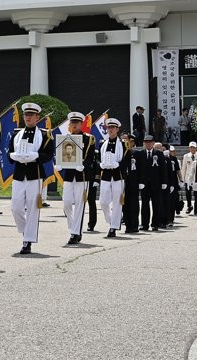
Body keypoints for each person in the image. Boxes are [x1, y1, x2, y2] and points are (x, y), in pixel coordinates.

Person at [9, 102, 53, 254]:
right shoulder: (16, 134)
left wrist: (36, 156)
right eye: (26, 115)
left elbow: (49, 154)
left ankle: (27, 241)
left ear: (37, 117)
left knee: (33, 208)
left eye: (31, 115)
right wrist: (13, 156)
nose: (28, 117)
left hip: (35, 174)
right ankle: (25, 231)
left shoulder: (44, 134)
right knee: (16, 207)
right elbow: (10, 154)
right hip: (19, 174)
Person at [58, 111, 97, 244]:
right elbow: (63, 156)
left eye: (76, 122)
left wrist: (83, 165)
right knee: (67, 203)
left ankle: (75, 233)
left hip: (82, 175)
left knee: (80, 204)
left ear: (81, 123)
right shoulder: (66, 138)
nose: (74, 125)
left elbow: (91, 158)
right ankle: (73, 226)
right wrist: (60, 165)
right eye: (72, 122)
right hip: (69, 175)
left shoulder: (89, 138)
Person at [97, 118, 128, 238]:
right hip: (105, 174)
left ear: (117, 129)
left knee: (117, 202)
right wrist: (100, 164)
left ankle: (113, 227)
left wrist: (118, 165)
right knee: (103, 202)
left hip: (118, 176)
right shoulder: (102, 143)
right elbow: (99, 158)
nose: (110, 130)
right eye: (109, 128)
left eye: (112, 128)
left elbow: (126, 161)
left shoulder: (123, 144)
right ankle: (111, 221)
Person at [180, 141, 197, 215]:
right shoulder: (186, 156)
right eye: (191, 147)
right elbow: (184, 168)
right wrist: (182, 179)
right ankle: (189, 205)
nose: (192, 149)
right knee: (188, 193)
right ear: (189, 148)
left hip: (196, 177)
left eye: (193, 147)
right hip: (188, 178)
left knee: (196, 193)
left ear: (196, 148)